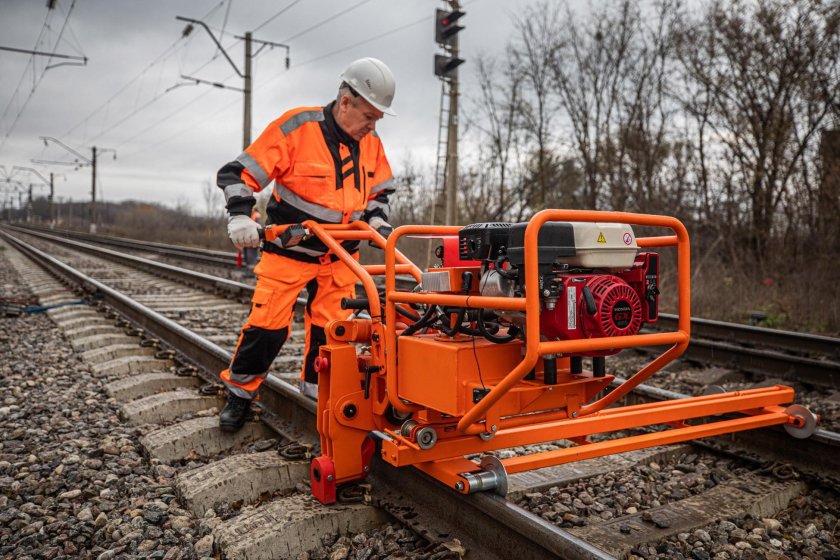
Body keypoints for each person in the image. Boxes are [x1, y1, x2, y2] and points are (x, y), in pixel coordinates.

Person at [215, 57, 397, 432]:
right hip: (289, 251)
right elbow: (237, 173)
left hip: (341, 256)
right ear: (345, 101)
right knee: (266, 327)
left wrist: (377, 219)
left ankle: (318, 392)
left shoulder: (371, 141)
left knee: (333, 331)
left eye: (378, 119)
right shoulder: (297, 128)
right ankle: (241, 393)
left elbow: (380, 190)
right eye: (368, 116)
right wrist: (239, 215)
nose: (372, 125)